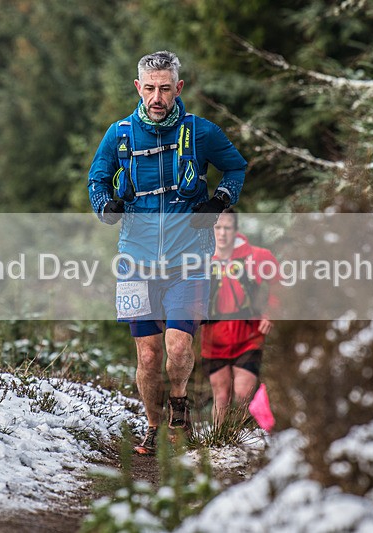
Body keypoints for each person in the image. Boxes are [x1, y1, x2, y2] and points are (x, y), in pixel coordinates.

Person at [88, 51, 247, 455]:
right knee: (148, 353)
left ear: (178, 88)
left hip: (188, 259)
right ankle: (153, 428)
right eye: (150, 88)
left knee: (177, 346)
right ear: (138, 88)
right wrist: (105, 206)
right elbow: (97, 179)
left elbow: (236, 168)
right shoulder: (120, 133)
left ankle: (179, 405)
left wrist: (219, 202)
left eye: (165, 88)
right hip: (135, 260)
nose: (157, 97)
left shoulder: (201, 131)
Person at [200, 208, 280, 428]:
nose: (222, 233)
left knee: (243, 393)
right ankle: (218, 445)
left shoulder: (256, 256)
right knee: (221, 395)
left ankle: (241, 443)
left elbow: (280, 283)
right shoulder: (202, 258)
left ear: (236, 230)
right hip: (213, 336)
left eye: (227, 228)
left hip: (248, 333)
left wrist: (271, 314)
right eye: (218, 228)